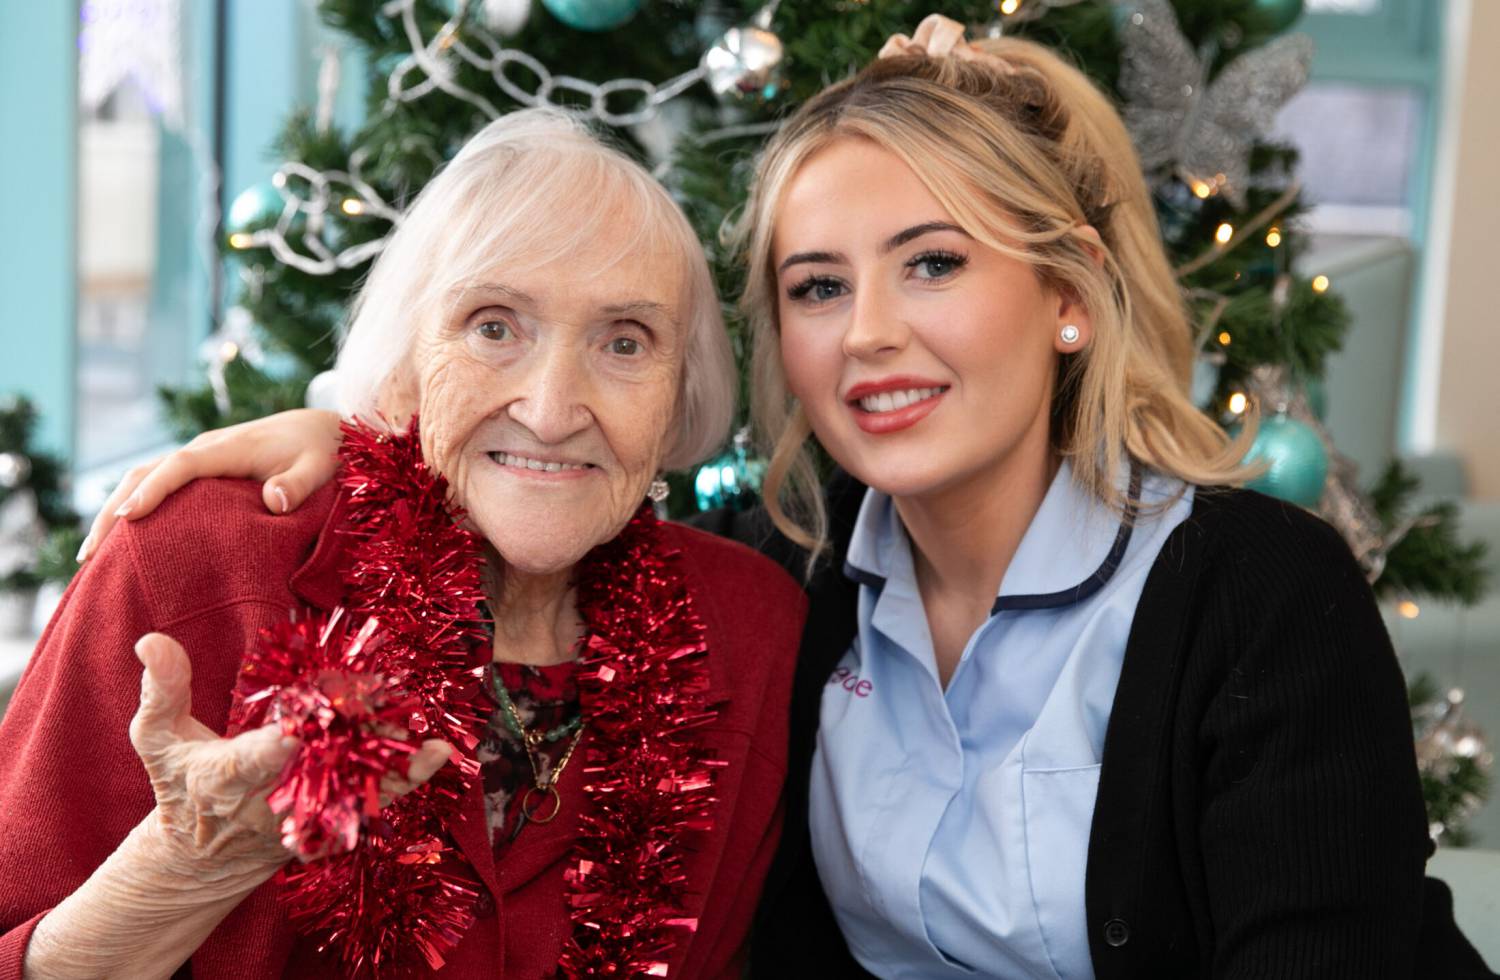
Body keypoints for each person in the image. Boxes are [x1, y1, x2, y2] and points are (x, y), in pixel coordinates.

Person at [73, 16, 1493, 980]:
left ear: (1068, 298)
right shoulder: (784, 585)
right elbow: (533, 453)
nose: (868, 332)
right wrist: (358, 421)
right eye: (818, 287)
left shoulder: (1253, 592)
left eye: (933, 263)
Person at [0, 109, 805, 979]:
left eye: (624, 342)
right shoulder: (197, 561)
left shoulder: (752, 631)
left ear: (679, 396)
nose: (551, 411)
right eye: (494, 326)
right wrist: (184, 872)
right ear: (403, 364)